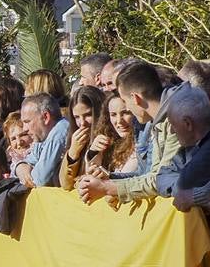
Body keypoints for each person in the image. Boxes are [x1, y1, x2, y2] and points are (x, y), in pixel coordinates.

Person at [77, 60, 180, 205]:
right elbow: (149, 174)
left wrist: (107, 188)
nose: (127, 113)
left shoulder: (177, 119)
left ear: (135, 98)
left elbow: (160, 181)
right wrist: (110, 178)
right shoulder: (158, 122)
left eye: (125, 106)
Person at [15, 94, 71, 188]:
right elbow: (29, 160)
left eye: (27, 122)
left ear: (46, 117)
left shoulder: (59, 133)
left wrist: (26, 176)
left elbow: (39, 180)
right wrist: (21, 167)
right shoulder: (42, 135)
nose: (24, 129)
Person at [60, 85, 108, 191]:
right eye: (77, 117)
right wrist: (72, 153)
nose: (82, 123)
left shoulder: (108, 138)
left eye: (88, 115)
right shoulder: (77, 140)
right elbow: (65, 184)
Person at [100, 92, 140, 176]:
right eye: (113, 115)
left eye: (125, 113)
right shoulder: (112, 142)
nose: (119, 121)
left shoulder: (141, 143)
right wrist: (94, 153)